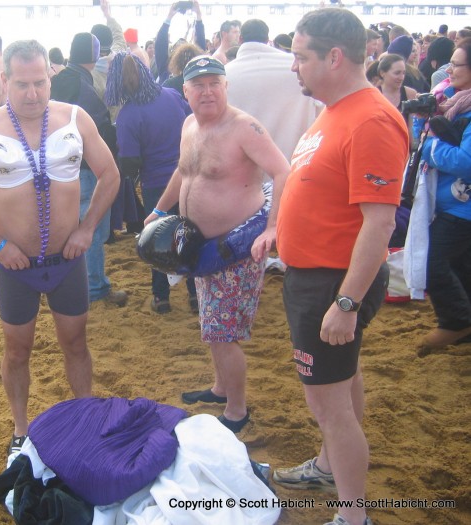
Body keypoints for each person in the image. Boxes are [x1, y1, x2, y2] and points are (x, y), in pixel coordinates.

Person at [0, 40, 120, 453]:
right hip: (15, 266)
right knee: (17, 350)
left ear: (50, 75)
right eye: (21, 84)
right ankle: (20, 430)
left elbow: (110, 175)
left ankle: (85, 416)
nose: (32, 93)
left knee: (76, 343)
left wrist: (87, 228)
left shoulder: (74, 119)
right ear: (5, 79)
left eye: (40, 82)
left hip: (68, 259)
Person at [272, 9, 408, 525]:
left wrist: (346, 303)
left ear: (334, 56)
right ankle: (329, 466)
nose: (294, 67)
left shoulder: (370, 118)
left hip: (333, 281)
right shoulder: (337, 109)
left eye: (301, 56)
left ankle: (353, 518)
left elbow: (380, 225)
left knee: (329, 406)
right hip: (317, 276)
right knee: (341, 387)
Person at [145, 55, 289, 433]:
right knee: (212, 324)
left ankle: (237, 411)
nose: (208, 91)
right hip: (201, 246)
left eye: (215, 83)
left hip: (238, 245)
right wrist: (160, 211)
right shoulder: (190, 123)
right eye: (199, 84)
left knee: (223, 334)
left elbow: (283, 170)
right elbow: (183, 171)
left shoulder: (244, 128)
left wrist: (272, 229)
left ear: (226, 87)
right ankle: (221, 387)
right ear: (185, 91)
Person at [106, 52, 197, 314]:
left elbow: (130, 163)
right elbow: (192, 122)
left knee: (157, 241)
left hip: (156, 184)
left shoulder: (128, 116)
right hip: (188, 176)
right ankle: (194, 295)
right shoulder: (171, 95)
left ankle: (161, 297)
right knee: (188, 234)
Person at [51, 32, 128, 306]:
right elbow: (99, 127)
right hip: (84, 166)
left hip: (58, 166)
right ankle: (94, 287)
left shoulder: (57, 80)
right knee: (91, 229)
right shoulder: (84, 85)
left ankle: (72, 281)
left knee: (65, 226)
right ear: (94, 56)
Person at [417, 37, 471, 349]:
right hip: (453, 202)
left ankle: (456, 321)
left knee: (432, 261)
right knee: (461, 264)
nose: (451, 69)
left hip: (461, 207)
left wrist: (429, 146)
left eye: (458, 64)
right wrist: (424, 123)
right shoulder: (452, 100)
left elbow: (466, 162)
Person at [226, 18, 322, 161]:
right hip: (295, 166)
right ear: (267, 39)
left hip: (243, 172)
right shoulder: (298, 67)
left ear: (240, 39)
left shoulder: (225, 75)